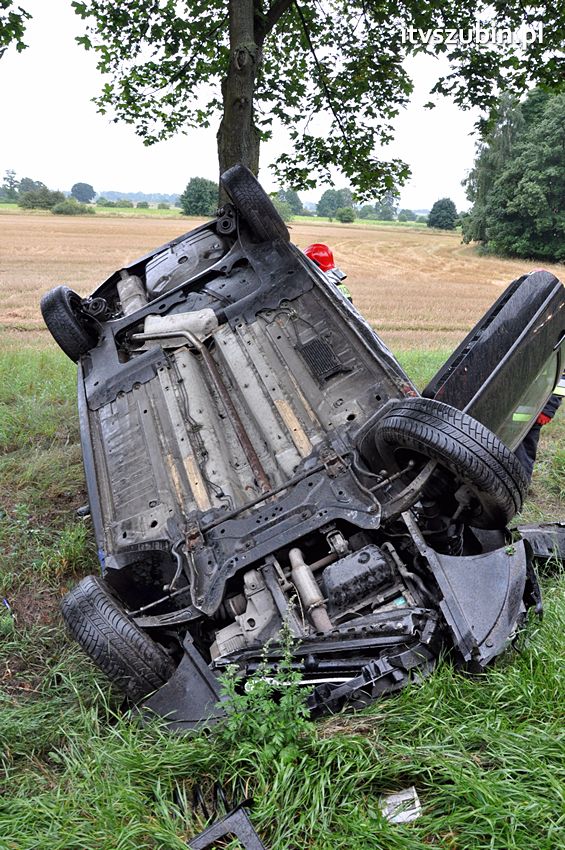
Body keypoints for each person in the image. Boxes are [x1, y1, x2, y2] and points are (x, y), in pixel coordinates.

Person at [514, 375, 564, 480]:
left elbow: (561, 379)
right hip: (501, 408)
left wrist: (549, 407)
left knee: (522, 454)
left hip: (529, 411)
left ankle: (520, 486)